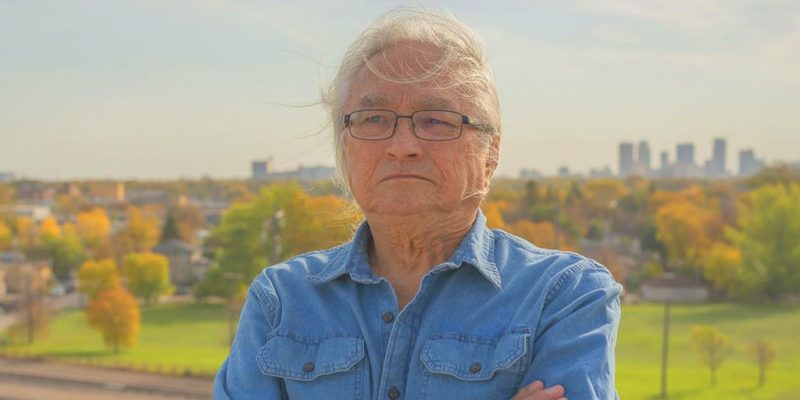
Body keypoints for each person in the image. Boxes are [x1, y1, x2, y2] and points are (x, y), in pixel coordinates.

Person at [214, 7, 621, 400]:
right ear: (345, 148)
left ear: (490, 155)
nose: (402, 146)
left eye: (436, 120)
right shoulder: (281, 300)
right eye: (374, 119)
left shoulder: (564, 296)